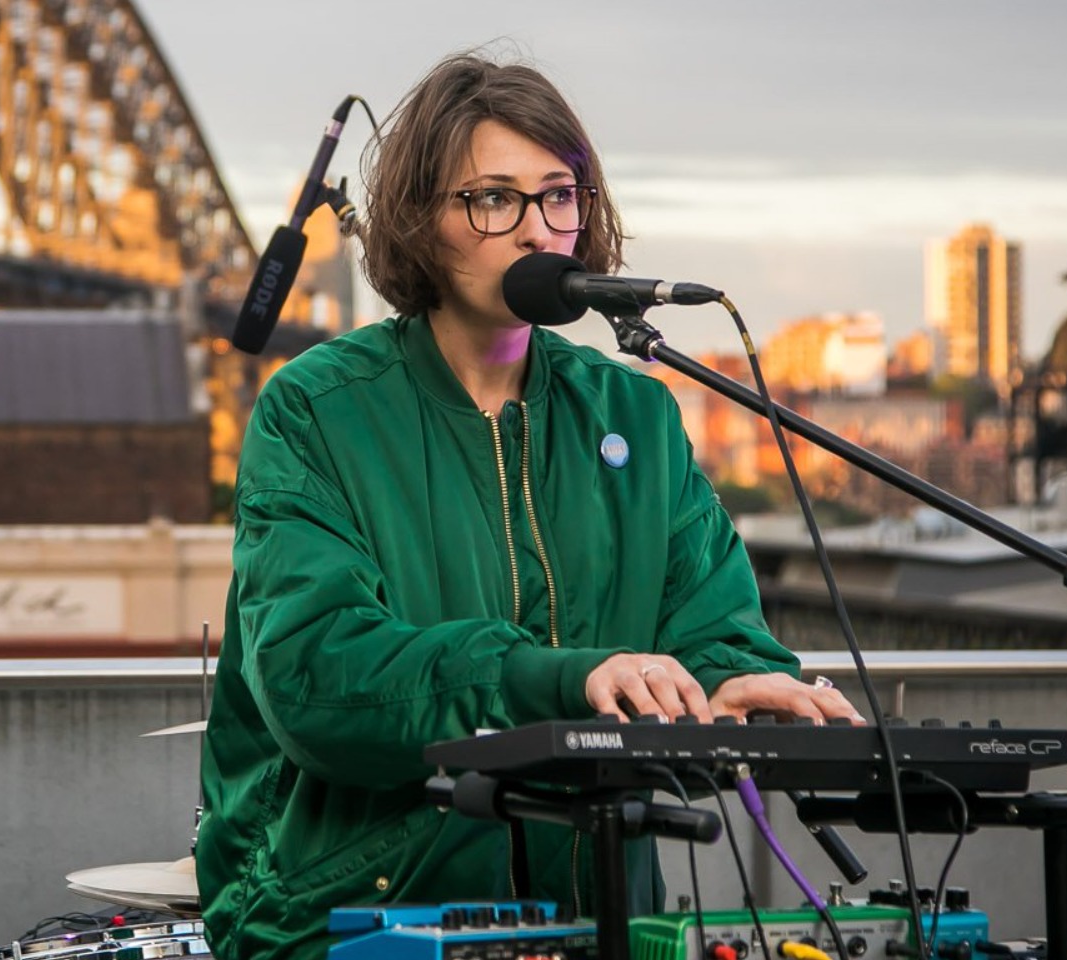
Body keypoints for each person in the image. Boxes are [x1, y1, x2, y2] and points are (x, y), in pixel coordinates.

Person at [195, 52, 865, 960]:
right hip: (352, 919)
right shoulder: (317, 410)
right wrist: (557, 680)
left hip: (605, 921)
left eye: (559, 195)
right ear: (420, 220)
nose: (537, 230)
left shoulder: (636, 413)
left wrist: (729, 688)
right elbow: (317, 675)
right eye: (493, 199)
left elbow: (710, 628)